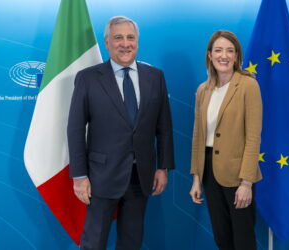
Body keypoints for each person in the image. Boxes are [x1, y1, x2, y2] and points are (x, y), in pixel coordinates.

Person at [67, 16, 175, 250]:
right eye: (118, 38)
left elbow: (164, 126)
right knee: (93, 242)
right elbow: (75, 129)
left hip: (141, 176)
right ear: (107, 42)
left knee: (131, 242)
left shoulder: (155, 76)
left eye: (130, 37)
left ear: (137, 41)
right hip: (100, 176)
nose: (125, 43)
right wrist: (79, 176)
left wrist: (162, 167)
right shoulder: (88, 78)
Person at [189, 30, 262, 250]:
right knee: (222, 237)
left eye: (230, 50)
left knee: (243, 240)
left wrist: (246, 182)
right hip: (210, 173)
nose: (224, 55)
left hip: (238, 173)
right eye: (218, 50)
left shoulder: (248, 85)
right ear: (209, 55)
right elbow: (198, 137)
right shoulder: (203, 90)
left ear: (237, 55)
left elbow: (253, 136)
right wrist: (196, 178)